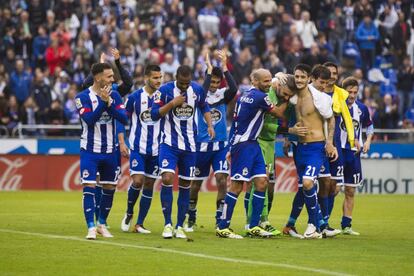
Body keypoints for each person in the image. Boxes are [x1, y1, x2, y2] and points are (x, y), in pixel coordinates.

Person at [216, 69, 306, 239]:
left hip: (253, 143)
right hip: (243, 144)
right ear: (255, 81)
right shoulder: (259, 96)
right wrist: (288, 99)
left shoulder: (249, 94)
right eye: (264, 81)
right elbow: (279, 113)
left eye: (268, 81)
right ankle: (223, 226)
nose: (267, 84)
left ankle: (253, 225)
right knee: (237, 186)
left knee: (262, 182)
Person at [151, 65, 215, 239]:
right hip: (169, 144)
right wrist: (172, 104)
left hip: (190, 147)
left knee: (186, 184)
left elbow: (205, 107)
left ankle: (179, 225)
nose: (185, 86)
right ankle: (167, 224)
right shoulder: (164, 90)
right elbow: (154, 114)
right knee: (167, 178)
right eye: (181, 83)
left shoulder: (197, 90)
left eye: (187, 83)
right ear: (176, 78)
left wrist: (209, 125)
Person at [244, 72, 306, 236]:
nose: (286, 97)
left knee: (266, 186)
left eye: (289, 96)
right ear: (279, 85)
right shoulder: (268, 94)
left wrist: (287, 137)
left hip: (270, 143)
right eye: (285, 94)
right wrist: (289, 131)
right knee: (259, 183)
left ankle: (259, 221)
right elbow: (264, 124)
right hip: (258, 141)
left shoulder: (285, 95)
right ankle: (255, 222)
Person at [75, 63, 128, 240]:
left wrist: (109, 103)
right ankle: (90, 227)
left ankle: (102, 224)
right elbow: (89, 120)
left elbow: (124, 118)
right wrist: (103, 104)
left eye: (113, 76)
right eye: (109, 76)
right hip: (90, 150)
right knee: (89, 187)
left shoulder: (116, 96)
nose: (113, 80)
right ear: (98, 78)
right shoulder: (82, 97)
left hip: (111, 151)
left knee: (109, 187)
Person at [186, 50, 238, 231]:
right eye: (212, 82)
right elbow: (204, 89)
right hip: (201, 146)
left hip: (221, 146)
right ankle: (191, 215)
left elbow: (234, 89)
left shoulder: (222, 94)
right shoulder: (198, 94)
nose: (214, 85)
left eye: (217, 82)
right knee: (196, 185)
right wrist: (209, 70)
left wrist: (224, 67)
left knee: (222, 180)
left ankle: (219, 219)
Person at [289, 65, 338, 239]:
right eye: (297, 77)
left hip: (316, 147)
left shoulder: (319, 98)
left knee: (309, 183)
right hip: (301, 148)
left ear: (309, 78)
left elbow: (331, 120)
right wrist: (290, 133)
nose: (299, 80)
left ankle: (315, 225)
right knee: (304, 187)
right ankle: (313, 226)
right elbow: (277, 80)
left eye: (303, 77)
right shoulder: (294, 96)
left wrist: (330, 143)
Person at [120, 65, 163, 233]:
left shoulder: (164, 96)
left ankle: (139, 223)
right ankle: (129, 212)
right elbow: (122, 119)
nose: (158, 81)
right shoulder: (135, 98)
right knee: (137, 181)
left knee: (149, 184)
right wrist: (122, 141)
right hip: (138, 147)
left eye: (160, 77)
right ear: (146, 78)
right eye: (155, 78)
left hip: (157, 149)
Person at [322, 62, 355, 232]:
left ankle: (324, 221)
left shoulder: (341, 93)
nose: (333, 75)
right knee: (322, 183)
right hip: (319, 142)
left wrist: (352, 138)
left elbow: (348, 118)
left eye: (335, 73)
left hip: (337, 143)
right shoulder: (315, 92)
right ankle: (317, 221)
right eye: (330, 72)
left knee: (335, 185)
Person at [340, 77, 374, 235]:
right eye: (349, 91)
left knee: (350, 190)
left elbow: (369, 125)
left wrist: (367, 140)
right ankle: (322, 222)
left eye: (355, 92)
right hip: (338, 152)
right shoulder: (336, 106)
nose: (352, 95)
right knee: (332, 189)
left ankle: (346, 225)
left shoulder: (362, 108)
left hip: (354, 153)